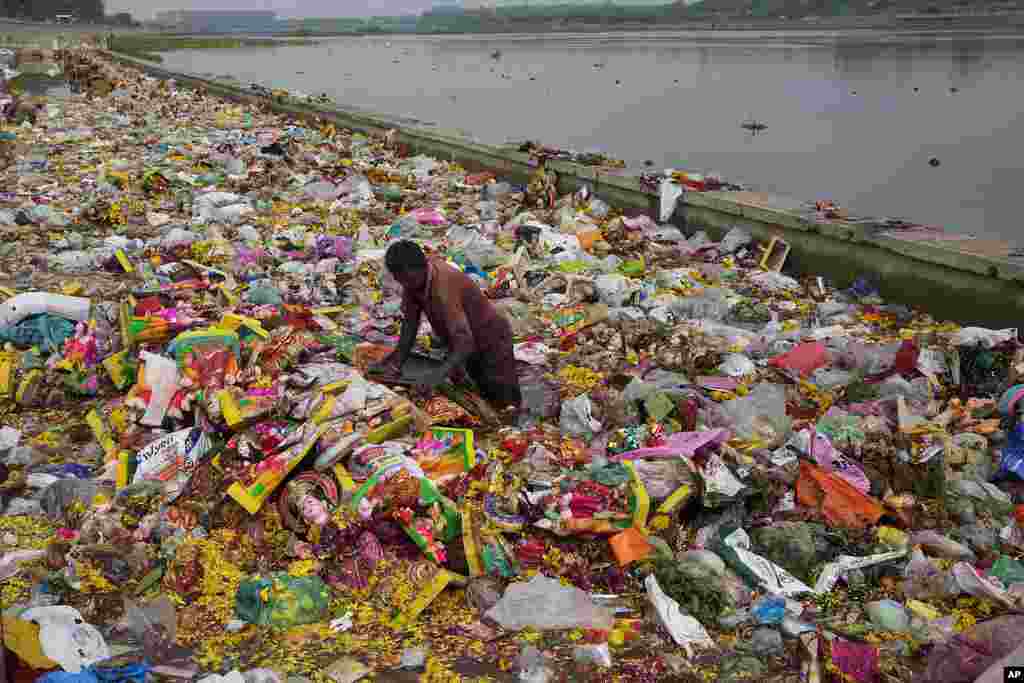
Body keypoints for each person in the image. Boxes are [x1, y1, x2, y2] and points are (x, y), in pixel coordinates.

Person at [371, 240, 521, 411]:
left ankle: (514, 428)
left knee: (504, 398)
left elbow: (465, 342)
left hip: (491, 338)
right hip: (464, 338)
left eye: (403, 278)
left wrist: (439, 374)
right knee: (482, 390)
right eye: (398, 279)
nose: (402, 284)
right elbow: (410, 324)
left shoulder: (443, 286)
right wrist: (395, 362)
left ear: (416, 269)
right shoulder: (413, 282)